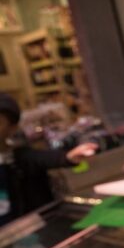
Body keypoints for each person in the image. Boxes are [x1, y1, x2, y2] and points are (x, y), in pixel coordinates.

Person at [0, 93, 96, 226]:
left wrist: (68, 157)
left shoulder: (20, 156)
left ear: (12, 128)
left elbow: (42, 158)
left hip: (29, 230)